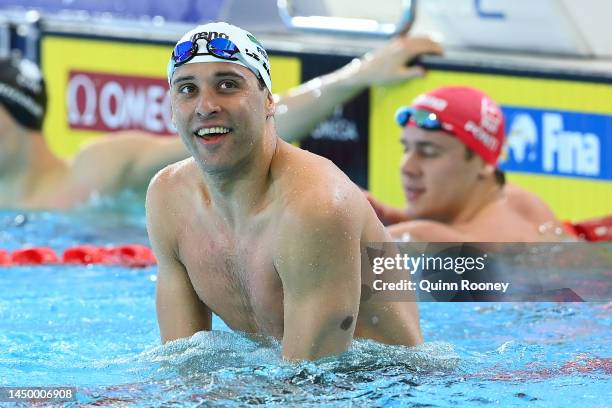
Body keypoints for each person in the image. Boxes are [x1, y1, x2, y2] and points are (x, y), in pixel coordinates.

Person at [146, 22, 426, 360]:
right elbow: (182, 363)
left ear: (268, 101)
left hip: (388, 386)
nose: (206, 106)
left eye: (227, 85)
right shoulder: (168, 198)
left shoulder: (314, 206)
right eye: (187, 89)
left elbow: (308, 384)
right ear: (173, 109)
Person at [0, 34, 440, 210]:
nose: (204, 102)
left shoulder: (98, 171)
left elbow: (233, 129)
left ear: (12, 115)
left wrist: (360, 74)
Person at [365, 86, 563, 241]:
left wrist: (348, 211)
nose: (407, 167)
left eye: (429, 152)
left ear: (484, 163)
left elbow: (342, 250)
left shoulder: (425, 241)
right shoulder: (526, 205)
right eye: (406, 149)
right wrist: (388, 214)